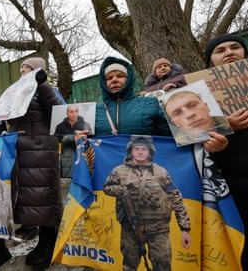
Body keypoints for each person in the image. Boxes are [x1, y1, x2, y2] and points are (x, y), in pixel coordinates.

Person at [103, 136, 191, 270]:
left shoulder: (160, 172)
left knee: (163, 265)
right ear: (130, 151)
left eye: (144, 149)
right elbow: (107, 188)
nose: (140, 152)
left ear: (150, 152)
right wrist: (122, 190)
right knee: (129, 266)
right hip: (131, 228)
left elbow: (175, 197)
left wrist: (184, 229)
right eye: (136, 149)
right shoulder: (119, 171)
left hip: (159, 229)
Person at [8, 56, 63, 270]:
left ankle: (51, 245)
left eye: (28, 68)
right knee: (34, 202)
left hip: (42, 152)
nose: (23, 72)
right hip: (23, 152)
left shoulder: (46, 89)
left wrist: (43, 84)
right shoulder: (20, 93)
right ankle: (42, 242)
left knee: (45, 199)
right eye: (22, 68)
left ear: (39, 70)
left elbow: (59, 111)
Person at [204, 34, 248, 269]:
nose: (229, 52)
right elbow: (193, 139)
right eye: (220, 50)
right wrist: (226, 126)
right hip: (232, 187)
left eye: (235, 47)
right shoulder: (200, 96)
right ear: (211, 61)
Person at [94, 56, 171, 136]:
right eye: (109, 78)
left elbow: (172, 139)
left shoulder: (150, 103)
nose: (114, 80)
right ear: (103, 83)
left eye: (120, 76)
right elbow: (86, 143)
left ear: (129, 79)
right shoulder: (94, 112)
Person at [163, 90, 232, 145]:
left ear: (206, 107)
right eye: (178, 113)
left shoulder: (234, 123)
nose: (189, 114)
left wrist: (231, 127)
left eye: (193, 105)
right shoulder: (177, 150)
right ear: (175, 123)